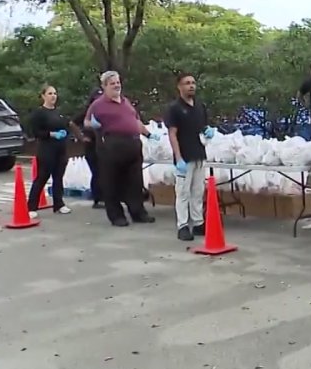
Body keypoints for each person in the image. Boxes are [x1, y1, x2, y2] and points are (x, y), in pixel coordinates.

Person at [84, 71, 162, 227]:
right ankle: (116, 216)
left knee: (135, 182)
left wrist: (149, 134)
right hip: (111, 146)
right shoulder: (98, 105)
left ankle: (138, 213)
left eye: (118, 82)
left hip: (133, 145)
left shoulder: (126, 102)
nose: (116, 85)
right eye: (112, 83)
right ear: (104, 86)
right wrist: (93, 125)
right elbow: (86, 121)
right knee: (111, 182)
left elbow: (135, 122)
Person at [165, 73, 215, 241]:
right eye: (187, 83)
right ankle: (183, 225)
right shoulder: (175, 109)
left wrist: (208, 132)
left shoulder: (200, 106)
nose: (191, 86)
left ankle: (199, 223)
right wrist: (178, 158)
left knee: (198, 191)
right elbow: (172, 134)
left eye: (193, 83)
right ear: (179, 87)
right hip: (184, 157)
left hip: (199, 155)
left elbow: (203, 127)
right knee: (183, 192)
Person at [27, 85, 77, 218]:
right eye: (50, 93)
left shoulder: (59, 112)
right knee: (42, 177)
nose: (53, 96)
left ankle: (58, 204)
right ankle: (31, 206)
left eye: (55, 93)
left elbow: (66, 125)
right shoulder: (39, 113)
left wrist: (66, 133)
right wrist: (51, 134)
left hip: (60, 149)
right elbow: (36, 132)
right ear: (43, 96)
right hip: (46, 149)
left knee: (58, 177)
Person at [76, 77, 106, 208]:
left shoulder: (104, 112)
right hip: (91, 145)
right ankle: (97, 199)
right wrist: (81, 136)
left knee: (105, 171)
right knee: (97, 171)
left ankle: (105, 196)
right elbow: (72, 122)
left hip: (104, 145)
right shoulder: (87, 112)